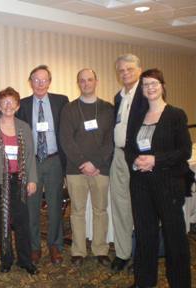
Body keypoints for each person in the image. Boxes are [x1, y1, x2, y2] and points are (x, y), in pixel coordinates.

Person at [125, 68, 191, 288]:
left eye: (154, 83)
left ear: (162, 86)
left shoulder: (176, 114)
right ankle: (144, 282)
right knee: (145, 235)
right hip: (141, 185)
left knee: (175, 237)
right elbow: (129, 149)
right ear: (142, 90)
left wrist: (156, 160)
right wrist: (135, 161)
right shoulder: (136, 118)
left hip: (168, 185)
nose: (150, 88)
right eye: (145, 85)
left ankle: (179, 283)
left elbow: (184, 152)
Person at [0, 87, 38, 275]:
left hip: (18, 180)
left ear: (17, 105)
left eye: (12, 102)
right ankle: (6, 260)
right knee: (1, 221)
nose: (8, 106)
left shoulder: (24, 127)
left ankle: (25, 260)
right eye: (4, 102)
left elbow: (29, 155)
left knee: (22, 222)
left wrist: (32, 179)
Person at [60, 68, 114, 267]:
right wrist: (84, 164)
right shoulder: (69, 109)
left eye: (90, 80)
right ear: (78, 83)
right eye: (82, 80)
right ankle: (79, 250)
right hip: (76, 170)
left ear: (96, 81)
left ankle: (100, 249)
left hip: (101, 169)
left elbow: (110, 141)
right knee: (77, 211)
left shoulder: (108, 108)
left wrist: (96, 163)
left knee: (100, 210)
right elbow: (66, 140)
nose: (86, 83)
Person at [17, 65, 68, 265]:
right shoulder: (22, 104)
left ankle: (55, 245)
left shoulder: (61, 101)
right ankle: (34, 247)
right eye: (36, 80)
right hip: (32, 162)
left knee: (56, 205)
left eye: (44, 80)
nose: (40, 83)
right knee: (32, 206)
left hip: (54, 160)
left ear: (49, 82)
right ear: (30, 82)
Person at [110, 54, 148, 272]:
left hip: (138, 157)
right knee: (120, 206)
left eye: (130, 69)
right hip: (118, 155)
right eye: (121, 70)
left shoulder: (146, 94)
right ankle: (123, 253)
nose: (125, 73)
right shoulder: (119, 96)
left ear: (139, 69)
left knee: (142, 208)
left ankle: (142, 255)